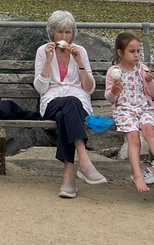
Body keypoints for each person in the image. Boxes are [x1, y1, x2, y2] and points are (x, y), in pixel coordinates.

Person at [34, 10, 107, 198]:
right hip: (51, 101)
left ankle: (69, 178)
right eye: (60, 32)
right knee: (68, 104)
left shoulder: (80, 51)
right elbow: (41, 89)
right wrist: (48, 62)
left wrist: (80, 63)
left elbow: (89, 88)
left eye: (68, 32)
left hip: (77, 104)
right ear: (52, 33)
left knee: (66, 112)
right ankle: (85, 161)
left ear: (73, 33)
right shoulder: (43, 51)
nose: (64, 37)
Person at [106, 32, 154, 193]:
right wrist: (114, 90)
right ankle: (138, 175)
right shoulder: (114, 71)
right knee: (133, 137)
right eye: (132, 51)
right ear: (120, 52)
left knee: (149, 130)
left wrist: (150, 81)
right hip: (124, 110)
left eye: (138, 51)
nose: (137, 55)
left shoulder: (142, 69)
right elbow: (110, 98)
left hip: (143, 107)